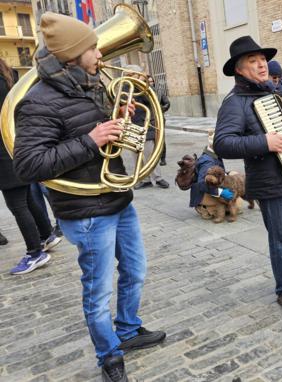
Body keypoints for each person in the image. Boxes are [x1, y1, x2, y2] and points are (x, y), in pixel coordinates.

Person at [12, 13, 165, 382]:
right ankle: (108, 354)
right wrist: (91, 140)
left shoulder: (92, 84)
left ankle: (127, 330)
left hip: (116, 197)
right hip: (85, 211)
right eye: (93, 47)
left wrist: (122, 117)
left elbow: (102, 133)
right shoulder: (38, 102)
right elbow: (29, 165)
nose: (100, 52)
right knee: (97, 292)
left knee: (135, 271)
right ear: (71, 55)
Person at [214, 35, 282, 315]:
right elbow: (223, 142)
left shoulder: (274, 92)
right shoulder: (234, 102)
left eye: (263, 59)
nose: (262, 65)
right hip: (270, 182)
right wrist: (264, 142)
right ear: (239, 69)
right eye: (253, 61)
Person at [0, 57, 57, 275]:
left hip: (4, 154)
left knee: (17, 205)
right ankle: (46, 234)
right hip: (15, 146)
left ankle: (35, 253)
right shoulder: (10, 75)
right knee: (27, 199)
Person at [127, 65, 170, 189]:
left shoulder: (145, 87)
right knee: (136, 156)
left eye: (135, 74)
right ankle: (143, 179)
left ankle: (158, 178)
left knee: (150, 154)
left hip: (146, 125)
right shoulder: (124, 87)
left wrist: (141, 83)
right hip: (131, 125)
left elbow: (152, 100)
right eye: (131, 75)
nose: (133, 77)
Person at [189, 130, 235, 217]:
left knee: (233, 174)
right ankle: (203, 206)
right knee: (225, 208)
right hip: (202, 193)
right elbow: (201, 184)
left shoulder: (213, 154)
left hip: (212, 186)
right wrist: (220, 192)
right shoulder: (207, 162)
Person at [147, 75, 169, 166]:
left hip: (159, 119)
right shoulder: (143, 93)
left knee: (161, 139)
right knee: (151, 140)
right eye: (149, 82)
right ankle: (153, 158)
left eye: (152, 81)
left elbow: (167, 103)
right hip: (148, 120)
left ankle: (163, 158)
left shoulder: (159, 92)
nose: (151, 83)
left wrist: (160, 110)